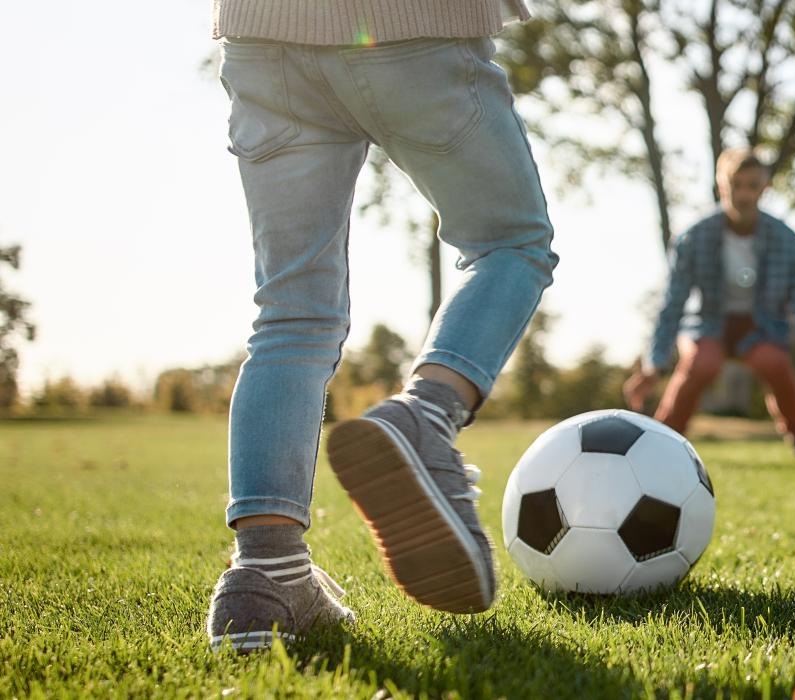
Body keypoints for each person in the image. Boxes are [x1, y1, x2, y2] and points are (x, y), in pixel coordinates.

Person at [205, 0, 557, 651]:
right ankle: (428, 410)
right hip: (409, 23)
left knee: (290, 314)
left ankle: (264, 574)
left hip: (264, 35)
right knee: (513, 243)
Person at [624, 149, 795, 456]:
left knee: (775, 362)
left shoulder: (785, 239)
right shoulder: (693, 237)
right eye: (736, 185)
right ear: (721, 186)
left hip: (760, 326)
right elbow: (672, 303)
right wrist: (654, 364)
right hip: (707, 324)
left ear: (764, 188)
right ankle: (662, 441)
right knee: (702, 364)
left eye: (752, 186)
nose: (743, 194)